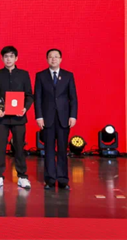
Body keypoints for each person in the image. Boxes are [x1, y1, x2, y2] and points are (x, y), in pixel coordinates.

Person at [0, 46, 33, 190]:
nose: (8, 59)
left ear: (16, 58)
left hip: (19, 118)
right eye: (6, 56)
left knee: (19, 147)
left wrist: (25, 108)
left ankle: (22, 176)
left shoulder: (24, 74)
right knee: (0, 147)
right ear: (2, 58)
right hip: (2, 118)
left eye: (11, 56)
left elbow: (29, 95)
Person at [35, 48, 78, 190]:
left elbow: (73, 98)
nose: (53, 59)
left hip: (64, 118)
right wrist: (39, 116)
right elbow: (38, 98)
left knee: (62, 149)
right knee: (48, 149)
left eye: (56, 56)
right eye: (50, 57)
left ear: (61, 59)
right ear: (47, 59)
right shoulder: (40, 76)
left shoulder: (68, 75)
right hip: (47, 118)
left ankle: (63, 179)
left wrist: (73, 115)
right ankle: (50, 180)